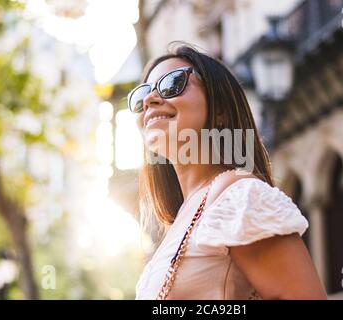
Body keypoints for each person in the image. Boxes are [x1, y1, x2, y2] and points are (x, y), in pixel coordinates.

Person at [130, 44, 327, 300]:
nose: (149, 100)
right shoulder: (181, 219)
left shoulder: (240, 197)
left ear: (220, 110)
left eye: (172, 84)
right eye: (141, 95)